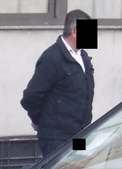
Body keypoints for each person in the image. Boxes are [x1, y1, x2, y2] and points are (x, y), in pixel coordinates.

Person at [20, 10, 95, 157]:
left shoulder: (83, 57)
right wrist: (41, 121)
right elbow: (31, 97)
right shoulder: (52, 57)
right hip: (57, 137)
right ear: (74, 31)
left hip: (80, 133)